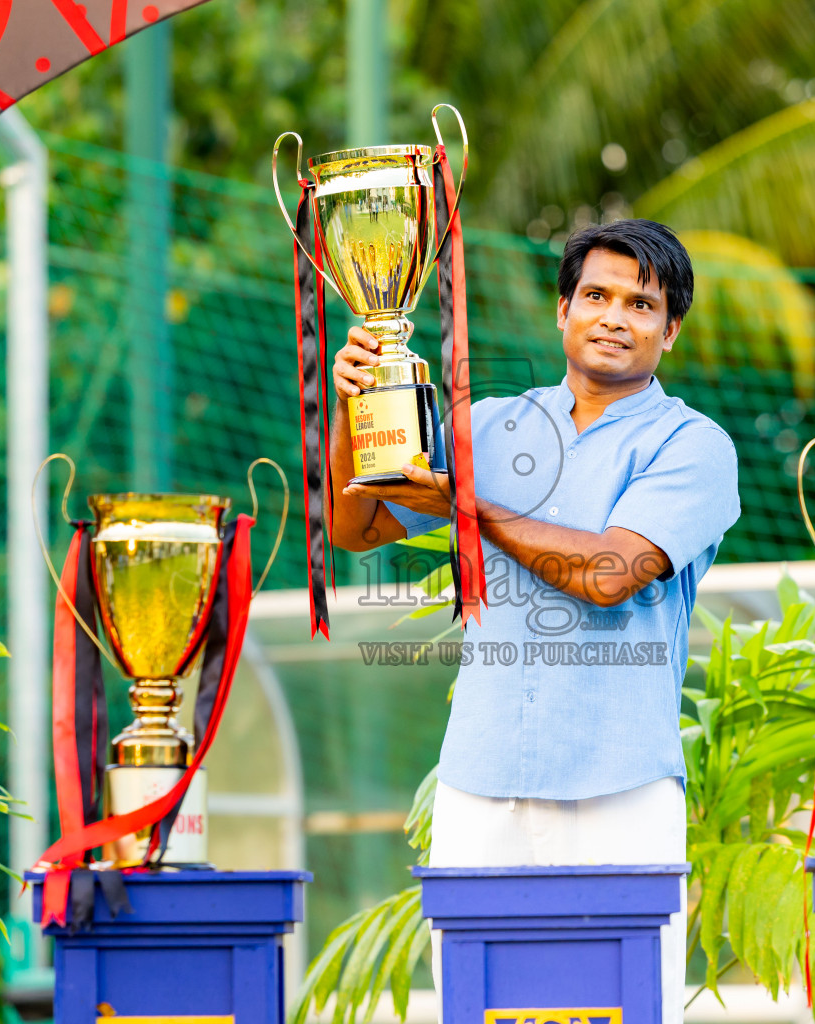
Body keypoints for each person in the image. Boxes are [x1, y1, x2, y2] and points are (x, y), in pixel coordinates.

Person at [329, 219, 741, 1024]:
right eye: (596, 295)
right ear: (562, 311)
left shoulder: (694, 445)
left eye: (641, 303)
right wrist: (357, 414)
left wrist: (468, 508)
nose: (615, 317)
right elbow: (358, 528)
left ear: (671, 329)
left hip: (620, 782)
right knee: (478, 1010)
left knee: (621, 1010)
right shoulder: (485, 424)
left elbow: (608, 574)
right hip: (478, 781)